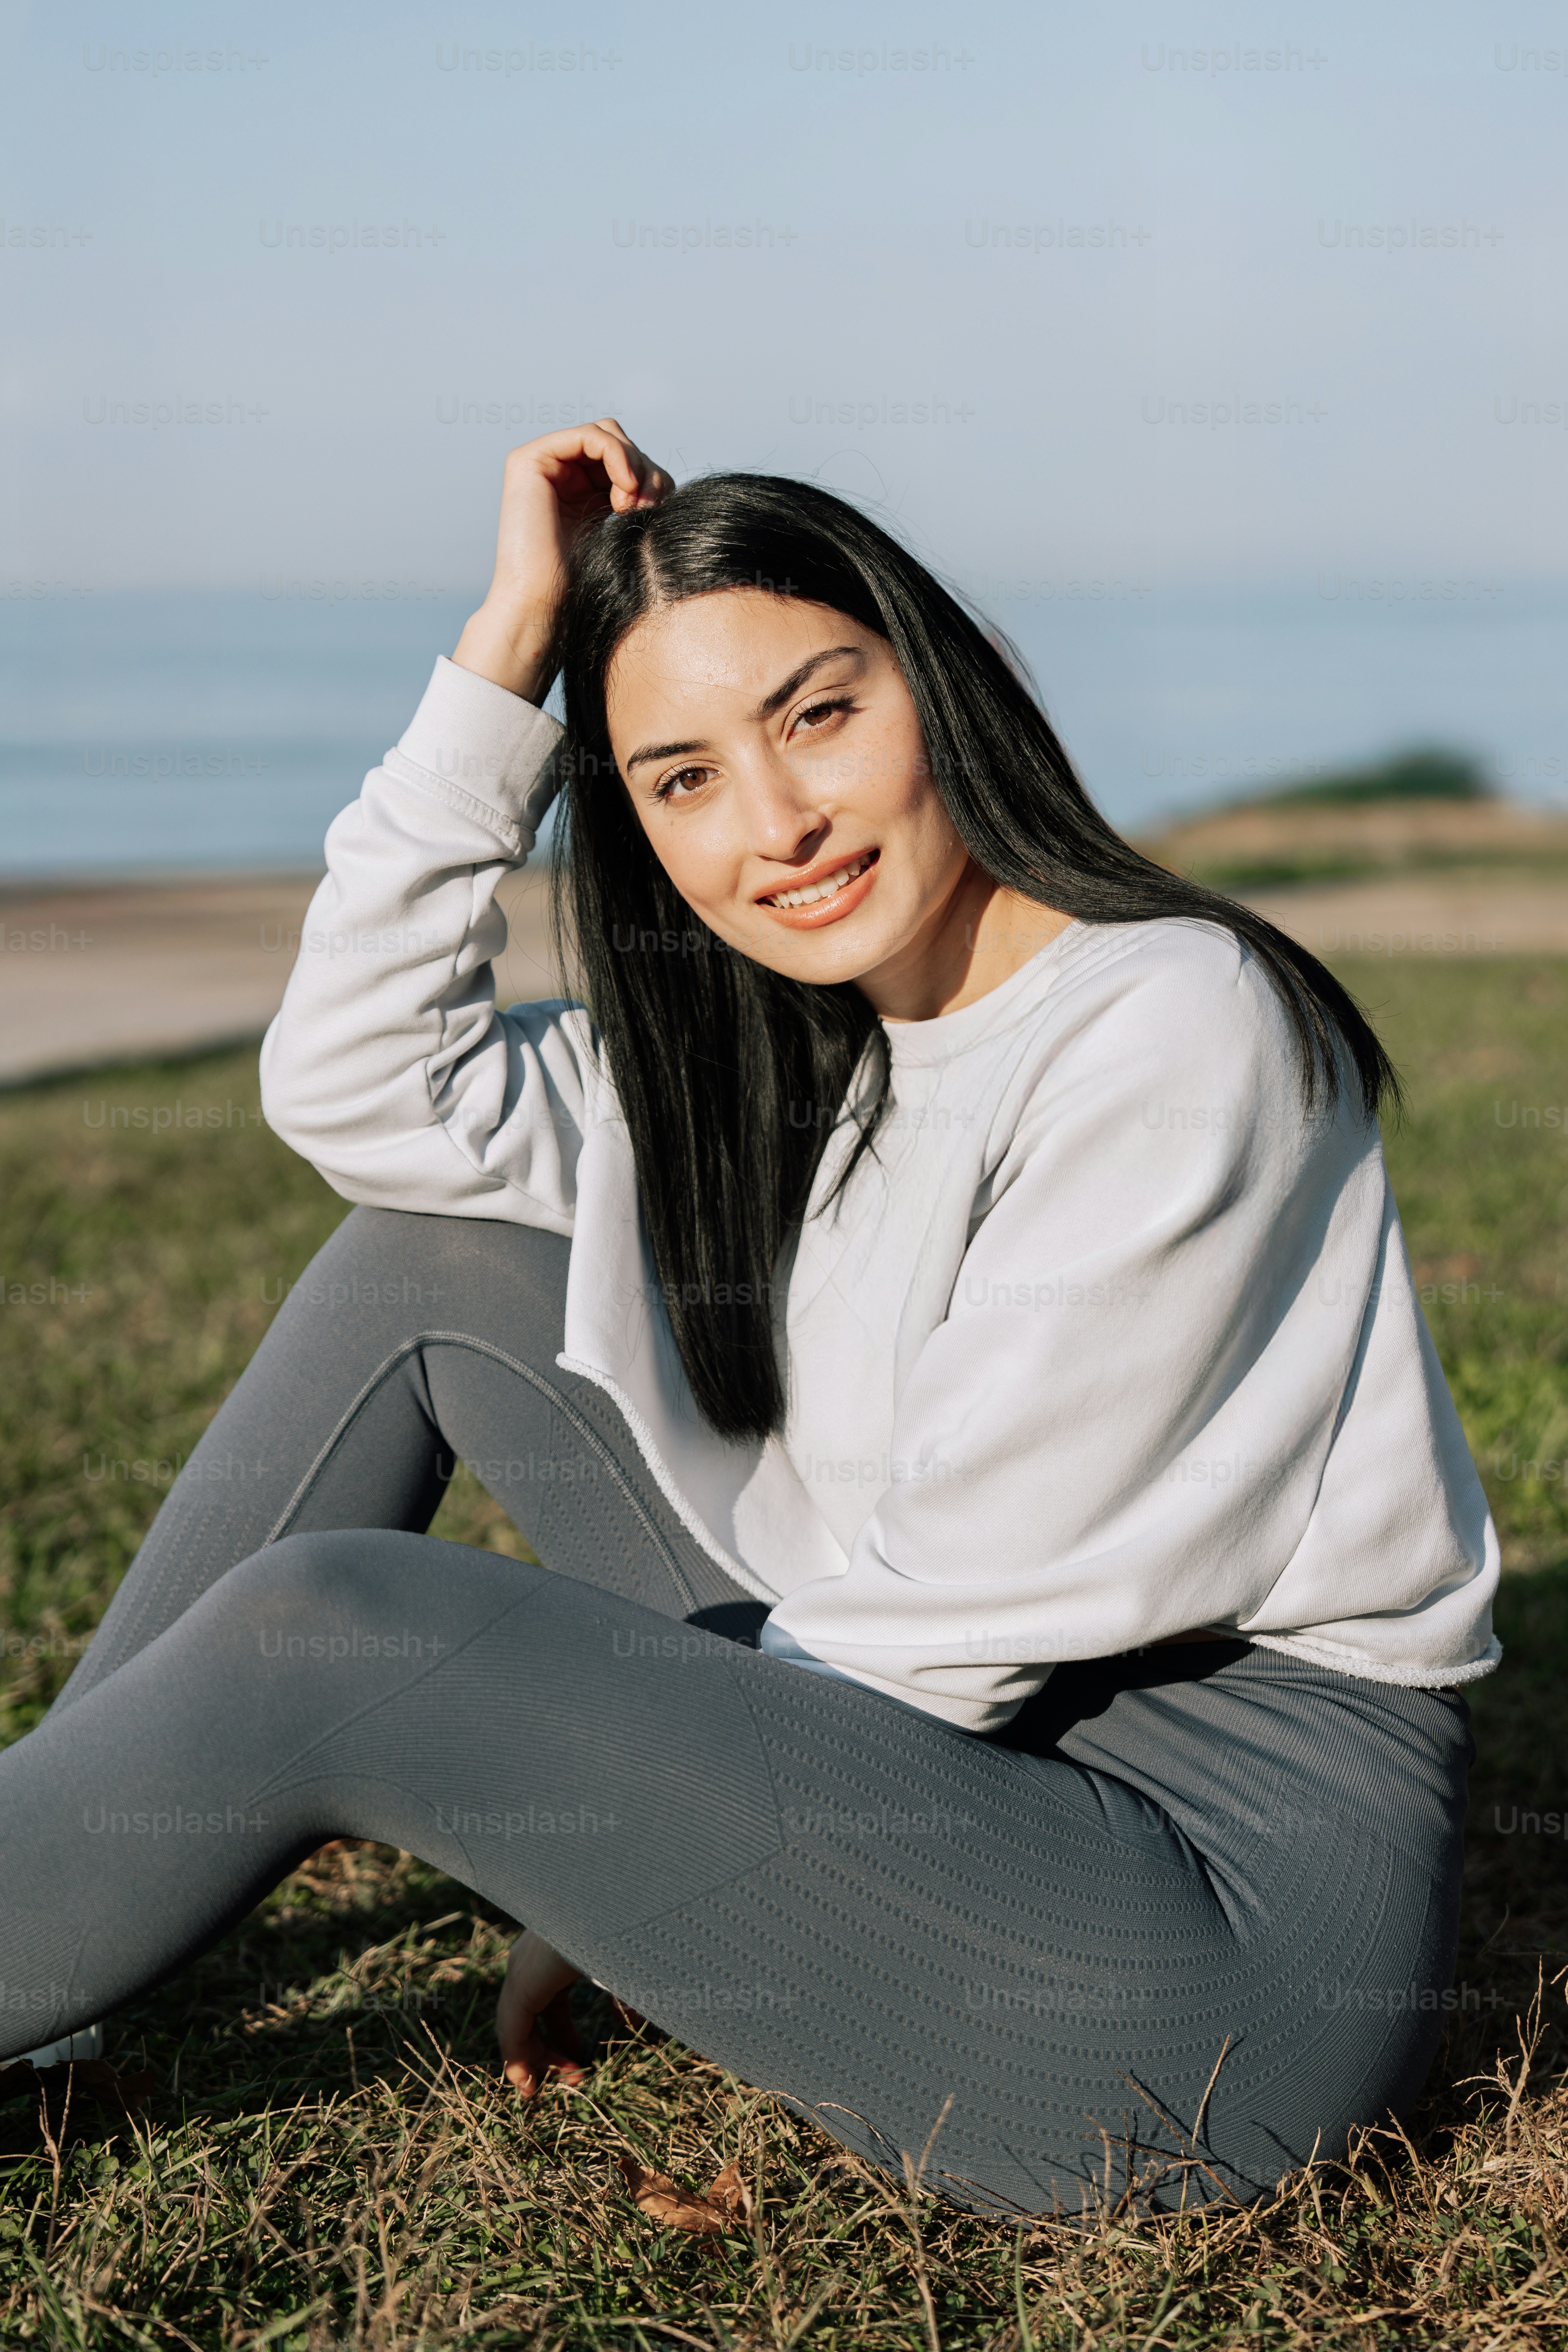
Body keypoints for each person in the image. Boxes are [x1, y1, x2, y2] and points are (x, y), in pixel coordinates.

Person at [0, 423, 1497, 2217]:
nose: (776, 827)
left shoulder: (1171, 1021)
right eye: (681, 778)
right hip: (969, 1768)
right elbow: (358, 1088)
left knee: (350, 1626)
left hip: (1183, 1976)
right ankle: (40, 1963)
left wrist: (649, 1863)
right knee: (432, 1261)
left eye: (816, 715)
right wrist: (505, 654)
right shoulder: (796, 1049)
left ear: (939, 684)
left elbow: (954, 1620)